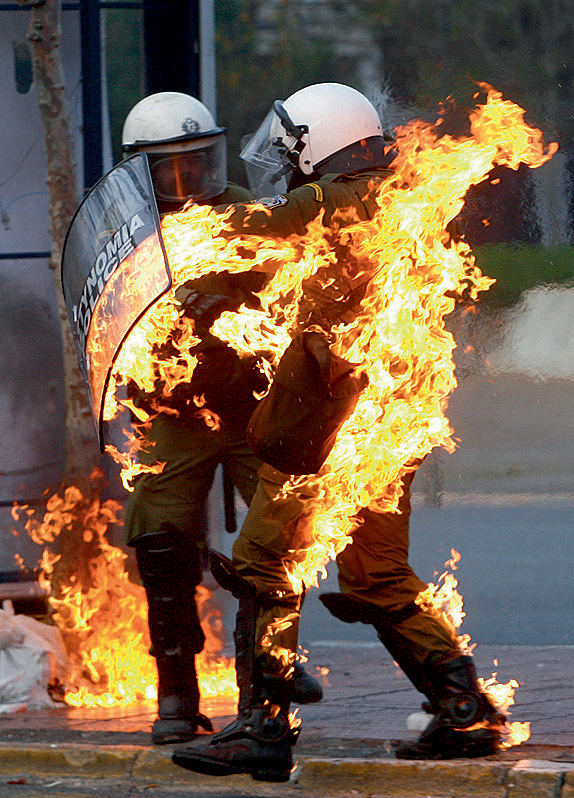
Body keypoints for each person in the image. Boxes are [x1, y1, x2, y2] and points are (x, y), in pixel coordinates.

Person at [169, 83, 506, 781]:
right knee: (377, 575)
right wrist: (229, 292)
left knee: (264, 565)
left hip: (325, 420)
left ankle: (263, 726)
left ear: (319, 145)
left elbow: (240, 236)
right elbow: (303, 279)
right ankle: (464, 707)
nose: (290, 164)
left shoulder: (330, 201)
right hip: (389, 420)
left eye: (293, 150)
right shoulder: (398, 201)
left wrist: (163, 238)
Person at [120, 91, 322, 746]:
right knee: (160, 538)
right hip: (174, 412)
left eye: (195, 160)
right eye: (167, 167)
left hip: (249, 405)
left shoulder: (245, 214)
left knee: (271, 543)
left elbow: (288, 302)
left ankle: (261, 690)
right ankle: (175, 694)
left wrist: (230, 323)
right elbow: (107, 324)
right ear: (140, 170)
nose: (185, 179)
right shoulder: (126, 229)